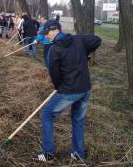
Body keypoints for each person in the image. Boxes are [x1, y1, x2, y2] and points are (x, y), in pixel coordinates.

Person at [36, 20, 101, 164]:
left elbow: (55, 74)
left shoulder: (54, 50)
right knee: (78, 120)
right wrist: (85, 51)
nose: (46, 37)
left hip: (69, 91)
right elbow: (96, 40)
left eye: (47, 33)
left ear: (55, 30)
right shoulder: (78, 40)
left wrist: (59, 88)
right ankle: (78, 154)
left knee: (47, 115)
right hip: (85, 88)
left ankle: (48, 154)